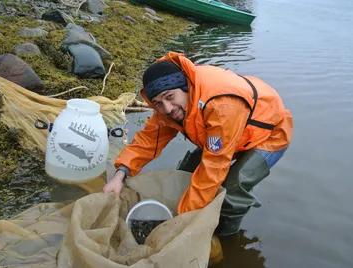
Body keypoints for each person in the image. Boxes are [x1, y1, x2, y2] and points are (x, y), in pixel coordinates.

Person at [103, 51, 293, 236]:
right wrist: (120, 174)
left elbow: (214, 167)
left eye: (170, 97)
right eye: (158, 103)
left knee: (233, 187)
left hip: (268, 132)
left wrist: (182, 221)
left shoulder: (220, 106)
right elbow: (148, 140)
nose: (167, 109)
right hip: (229, 131)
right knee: (187, 171)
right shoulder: (167, 103)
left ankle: (226, 235)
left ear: (186, 87)